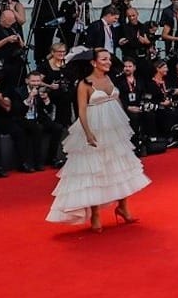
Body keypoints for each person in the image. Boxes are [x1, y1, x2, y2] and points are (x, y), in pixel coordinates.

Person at [46, 48, 149, 232]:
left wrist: (123, 123)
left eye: (109, 59)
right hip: (94, 126)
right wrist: (87, 132)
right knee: (95, 170)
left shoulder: (110, 78)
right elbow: (82, 112)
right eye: (104, 59)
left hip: (113, 127)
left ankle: (123, 207)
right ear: (94, 62)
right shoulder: (84, 84)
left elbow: (116, 101)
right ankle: (95, 214)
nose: (108, 62)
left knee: (119, 165)